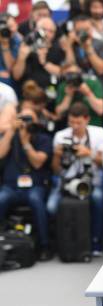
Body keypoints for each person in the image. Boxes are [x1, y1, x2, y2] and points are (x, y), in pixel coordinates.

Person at [48, 102, 103, 256]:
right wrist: (57, 155)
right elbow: (55, 170)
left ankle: (97, 242)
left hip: (91, 180)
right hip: (66, 181)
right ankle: (61, 243)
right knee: (50, 207)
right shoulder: (60, 136)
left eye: (78, 123)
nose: (75, 126)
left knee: (98, 199)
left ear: (87, 119)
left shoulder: (99, 133)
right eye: (71, 122)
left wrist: (89, 153)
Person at [0, 106, 53, 260]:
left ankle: (44, 245)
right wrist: (11, 130)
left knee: (36, 201)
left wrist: (25, 143)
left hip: (34, 187)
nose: (26, 122)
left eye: (29, 119)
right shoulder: (10, 136)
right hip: (11, 187)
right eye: (23, 118)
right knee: (1, 199)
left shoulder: (43, 138)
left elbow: (38, 163)